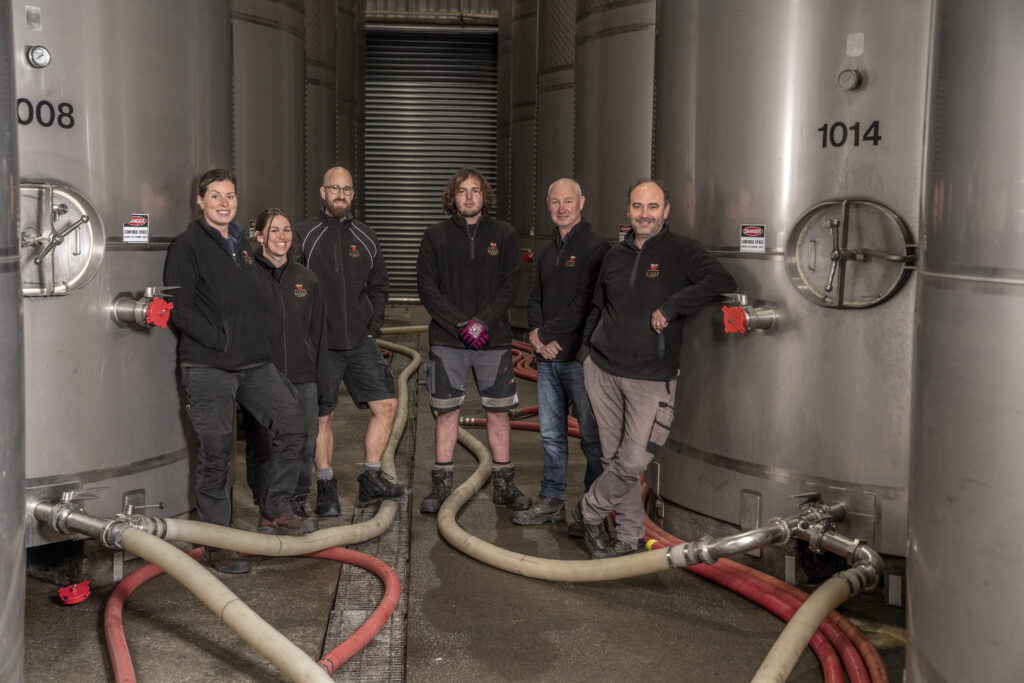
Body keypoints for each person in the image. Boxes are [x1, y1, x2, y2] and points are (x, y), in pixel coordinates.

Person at [573, 178, 736, 559]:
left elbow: (723, 279)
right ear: (628, 210)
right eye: (636, 207)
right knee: (612, 460)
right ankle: (628, 538)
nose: (643, 215)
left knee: (632, 460)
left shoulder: (683, 251)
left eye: (652, 207)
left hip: (651, 377)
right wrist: (585, 354)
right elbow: (597, 307)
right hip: (603, 370)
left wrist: (673, 306)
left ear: (666, 210)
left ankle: (589, 511)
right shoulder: (614, 255)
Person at [165, 169, 316, 575]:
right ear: (200, 200)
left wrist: (258, 342)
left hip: (254, 363)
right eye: (215, 196)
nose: (223, 202)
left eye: (229, 196)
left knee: (294, 424)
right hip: (208, 365)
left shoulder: (243, 246)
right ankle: (218, 543)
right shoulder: (187, 246)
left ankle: (276, 511)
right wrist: (221, 339)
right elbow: (181, 309)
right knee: (217, 456)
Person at [296, 166, 410, 515]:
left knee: (386, 406)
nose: (341, 194)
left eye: (346, 189)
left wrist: (373, 328)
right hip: (322, 346)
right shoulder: (305, 235)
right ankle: (326, 487)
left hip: (361, 342)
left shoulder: (366, 236)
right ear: (322, 192)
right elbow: (291, 288)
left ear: (352, 194)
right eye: (334, 188)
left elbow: (379, 287)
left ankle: (371, 480)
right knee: (321, 418)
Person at [416, 167, 531, 514]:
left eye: (475, 190)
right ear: (452, 198)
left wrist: (482, 322)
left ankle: (504, 486)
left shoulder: (504, 235)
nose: (469, 196)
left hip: (492, 341)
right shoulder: (434, 236)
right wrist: (461, 324)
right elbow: (427, 288)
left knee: (498, 414)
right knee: (446, 413)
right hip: (447, 341)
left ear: (485, 197)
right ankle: (441, 487)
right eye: (462, 191)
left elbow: (510, 284)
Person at [513, 178, 608, 528]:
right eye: (555, 202)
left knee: (591, 438)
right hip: (549, 360)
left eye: (568, 201)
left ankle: (591, 510)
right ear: (548, 206)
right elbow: (534, 297)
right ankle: (551, 500)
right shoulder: (547, 250)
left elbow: (585, 303)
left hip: (579, 360)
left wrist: (546, 335)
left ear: (582, 202)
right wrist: (537, 340)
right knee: (552, 436)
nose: (562, 208)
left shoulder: (596, 248)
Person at [242, 208, 329, 531]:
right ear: (260, 236)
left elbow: (317, 336)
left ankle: (294, 504)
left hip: (304, 376)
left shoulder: (307, 279)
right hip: (263, 377)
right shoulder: (247, 276)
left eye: (287, 230)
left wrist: (324, 387)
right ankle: (267, 506)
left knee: (305, 443)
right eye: (274, 231)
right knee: (264, 444)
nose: (282, 237)